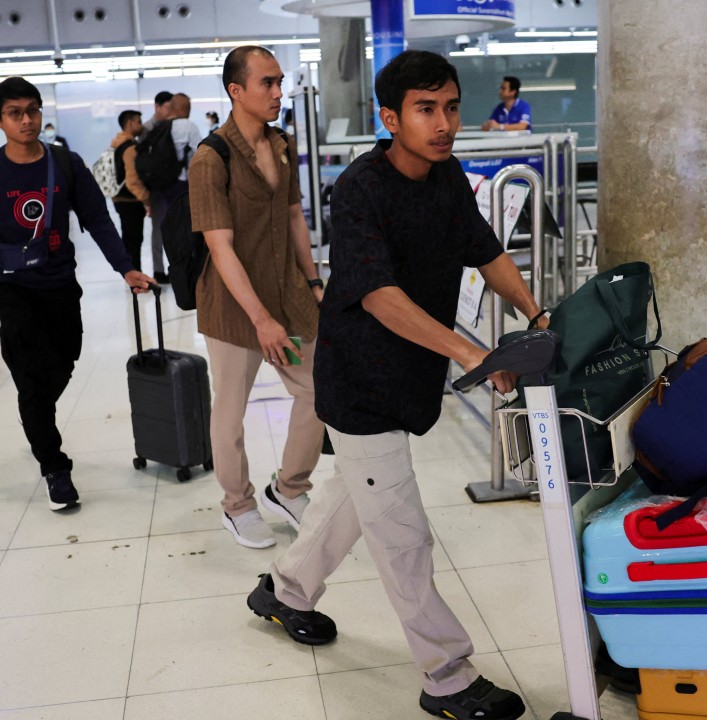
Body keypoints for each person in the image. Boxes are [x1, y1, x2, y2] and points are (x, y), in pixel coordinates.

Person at [246, 50, 542, 720]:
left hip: (408, 375)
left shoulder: (446, 175)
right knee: (402, 535)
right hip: (360, 382)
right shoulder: (360, 189)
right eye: (425, 109)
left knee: (353, 497)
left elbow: (486, 249)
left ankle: (285, 591)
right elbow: (378, 295)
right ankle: (447, 675)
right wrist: (470, 351)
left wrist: (536, 311)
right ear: (389, 117)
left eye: (451, 108)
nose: (444, 124)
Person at [0, 77, 155, 512]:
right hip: (13, 288)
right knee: (31, 380)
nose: (26, 120)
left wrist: (125, 267)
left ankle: (36, 414)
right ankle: (54, 466)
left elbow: (97, 219)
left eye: (32, 110)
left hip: (61, 284)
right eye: (15, 113)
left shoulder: (65, 163)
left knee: (65, 359)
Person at [188, 46, 323, 549]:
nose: (277, 92)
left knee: (318, 390)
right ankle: (237, 505)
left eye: (279, 81)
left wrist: (313, 282)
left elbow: (293, 217)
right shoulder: (210, 159)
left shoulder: (282, 144)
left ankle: (289, 488)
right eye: (267, 83)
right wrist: (261, 320)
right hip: (233, 306)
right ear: (236, 90)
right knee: (231, 410)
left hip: (287, 293)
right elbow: (220, 248)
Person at [146, 92, 202, 284]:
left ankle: (159, 270)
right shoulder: (189, 127)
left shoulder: (158, 127)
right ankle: (185, 271)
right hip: (181, 186)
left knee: (159, 229)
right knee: (184, 229)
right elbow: (199, 155)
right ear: (186, 108)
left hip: (159, 188)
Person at [110, 109, 153, 271]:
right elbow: (133, 180)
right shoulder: (130, 148)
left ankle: (132, 273)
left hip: (120, 198)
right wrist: (147, 199)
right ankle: (135, 275)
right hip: (130, 199)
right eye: (139, 122)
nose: (141, 126)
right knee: (134, 240)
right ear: (130, 123)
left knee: (129, 239)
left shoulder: (116, 144)